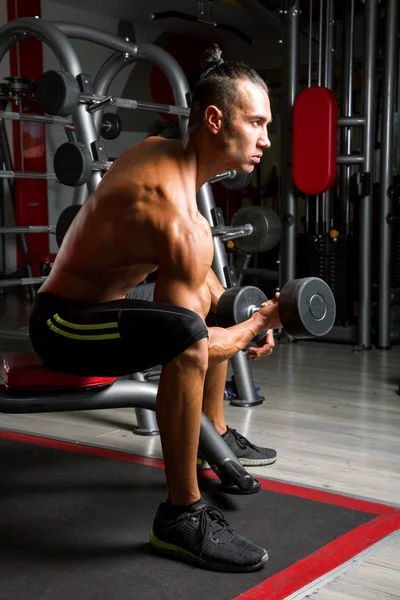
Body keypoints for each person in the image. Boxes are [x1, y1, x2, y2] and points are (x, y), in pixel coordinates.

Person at [29, 43, 282, 572]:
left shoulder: (172, 159)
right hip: (62, 325)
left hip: (99, 310)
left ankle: (209, 432)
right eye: (256, 123)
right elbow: (188, 339)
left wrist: (240, 310)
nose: (265, 139)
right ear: (215, 119)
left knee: (206, 309)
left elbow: (203, 285)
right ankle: (181, 517)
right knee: (187, 334)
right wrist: (260, 322)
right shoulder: (172, 209)